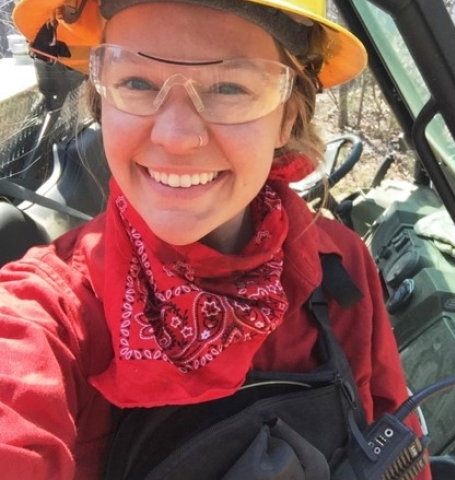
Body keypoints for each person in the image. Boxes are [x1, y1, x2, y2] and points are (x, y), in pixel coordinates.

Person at [1, 0, 432, 479]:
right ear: (103, 100)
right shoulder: (45, 313)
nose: (176, 136)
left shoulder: (336, 259)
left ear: (288, 118)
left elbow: (396, 444)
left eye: (230, 87)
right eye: (137, 82)